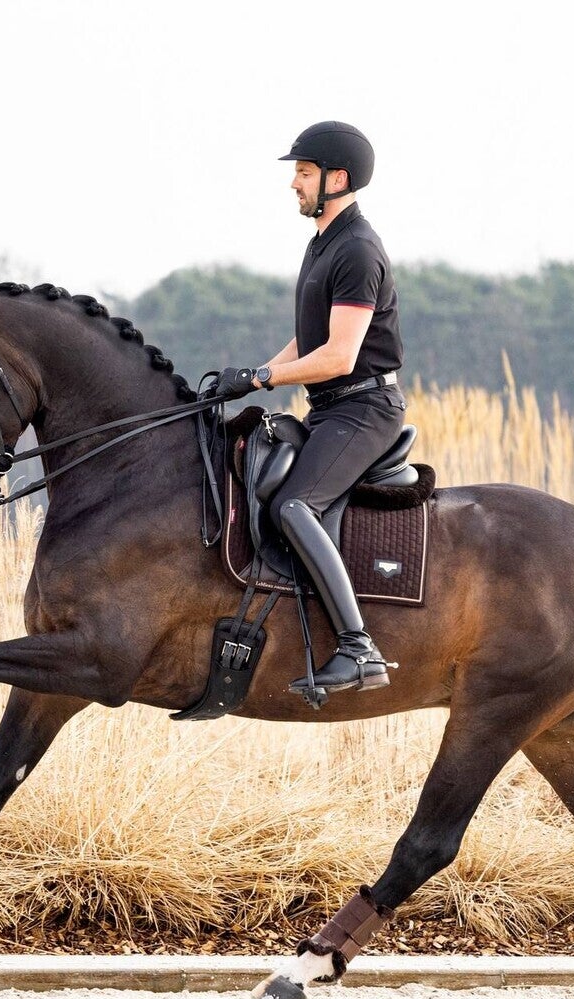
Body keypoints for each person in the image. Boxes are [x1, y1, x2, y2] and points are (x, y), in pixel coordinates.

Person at [215, 120, 405, 695]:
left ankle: (358, 649)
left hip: (363, 409)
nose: (293, 184)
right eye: (296, 173)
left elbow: (341, 355)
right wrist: (252, 382)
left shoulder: (358, 250)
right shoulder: (323, 242)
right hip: (330, 409)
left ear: (336, 179)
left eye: (303, 173)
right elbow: (310, 341)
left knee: (296, 506)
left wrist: (264, 375)